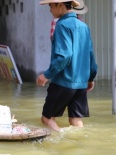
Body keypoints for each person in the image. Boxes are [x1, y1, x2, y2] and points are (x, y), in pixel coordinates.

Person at [37, 0, 98, 131]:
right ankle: (79, 144)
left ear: (60, 5)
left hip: (63, 82)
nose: (50, 9)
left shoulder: (62, 25)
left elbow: (64, 55)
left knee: (47, 118)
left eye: (51, 6)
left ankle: (61, 140)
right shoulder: (84, 26)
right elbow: (91, 56)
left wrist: (47, 74)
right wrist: (91, 78)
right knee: (75, 119)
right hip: (81, 84)